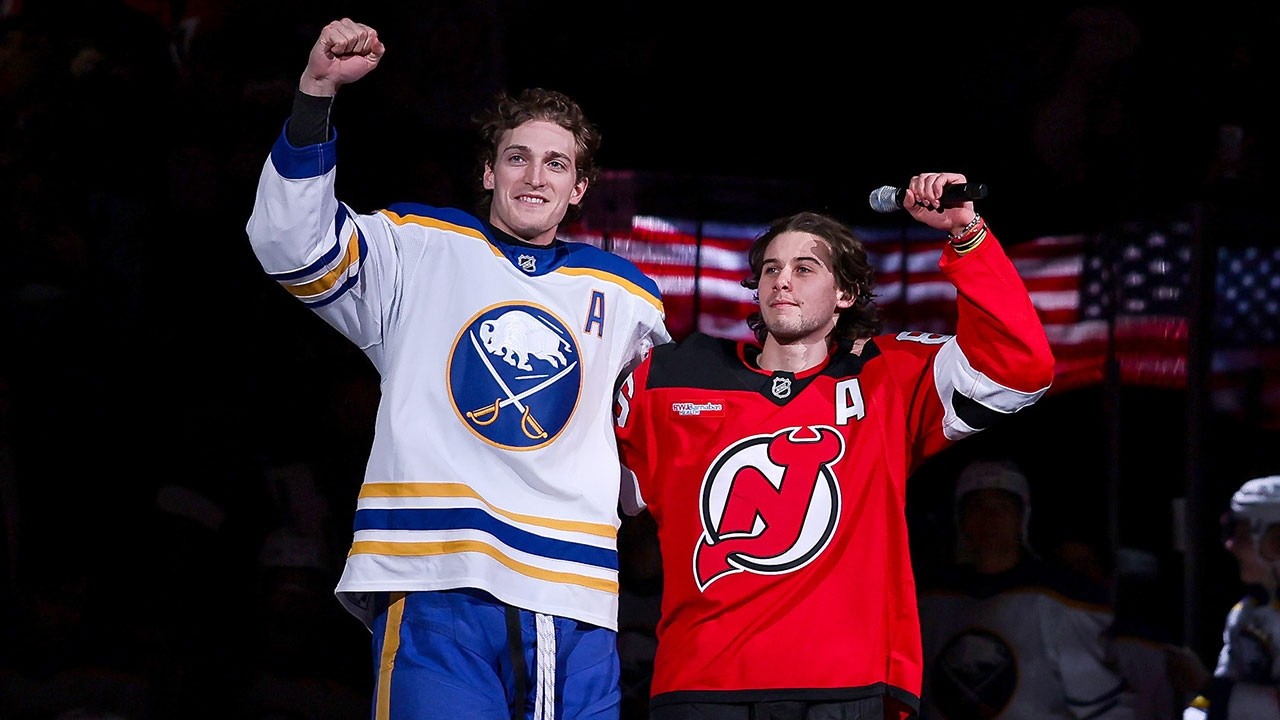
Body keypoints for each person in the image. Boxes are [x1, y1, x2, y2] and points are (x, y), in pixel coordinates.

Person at [244, 18, 671, 720]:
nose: (535, 177)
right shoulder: (419, 249)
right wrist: (316, 92)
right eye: (518, 158)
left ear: (580, 188)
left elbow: (648, 448)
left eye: (556, 164)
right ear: (487, 171)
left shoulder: (627, 296)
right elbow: (291, 241)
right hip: (434, 576)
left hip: (574, 595)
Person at [612, 175, 1056, 720]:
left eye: (804, 269)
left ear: (844, 293)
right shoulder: (673, 377)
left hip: (842, 684)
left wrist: (967, 235)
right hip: (700, 681)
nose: (782, 281)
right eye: (771, 269)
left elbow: (1021, 367)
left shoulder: (886, 376)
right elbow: (593, 488)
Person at [916, 458, 1136, 719]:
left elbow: (1105, 710)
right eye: (977, 506)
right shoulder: (930, 599)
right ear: (960, 518)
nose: (989, 518)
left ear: (1022, 516)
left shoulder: (1062, 599)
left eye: (1002, 507)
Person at [1184, 474, 1280, 719]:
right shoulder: (1244, 614)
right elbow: (1217, 687)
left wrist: (1208, 686)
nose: (1231, 545)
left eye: (1243, 533)